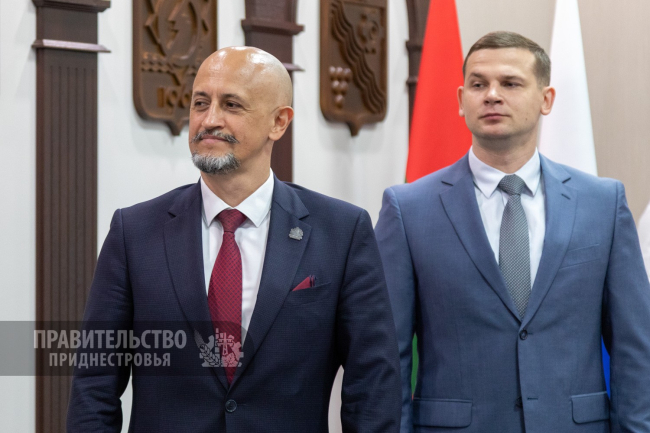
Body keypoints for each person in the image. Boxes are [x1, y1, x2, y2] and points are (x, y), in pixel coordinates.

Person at [67, 47, 401, 432]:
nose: (209, 120)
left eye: (231, 105)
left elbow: (373, 384)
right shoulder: (134, 232)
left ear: (279, 122)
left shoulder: (342, 232)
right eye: (200, 103)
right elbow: (95, 383)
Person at [375, 31, 650, 432]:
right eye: (478, 84)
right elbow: (387, 355)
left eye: (510, 83)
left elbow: (635, 348)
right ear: (460, 100)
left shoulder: (603, 204)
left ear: (546, 99)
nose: (491, 95)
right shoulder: (408, 209)